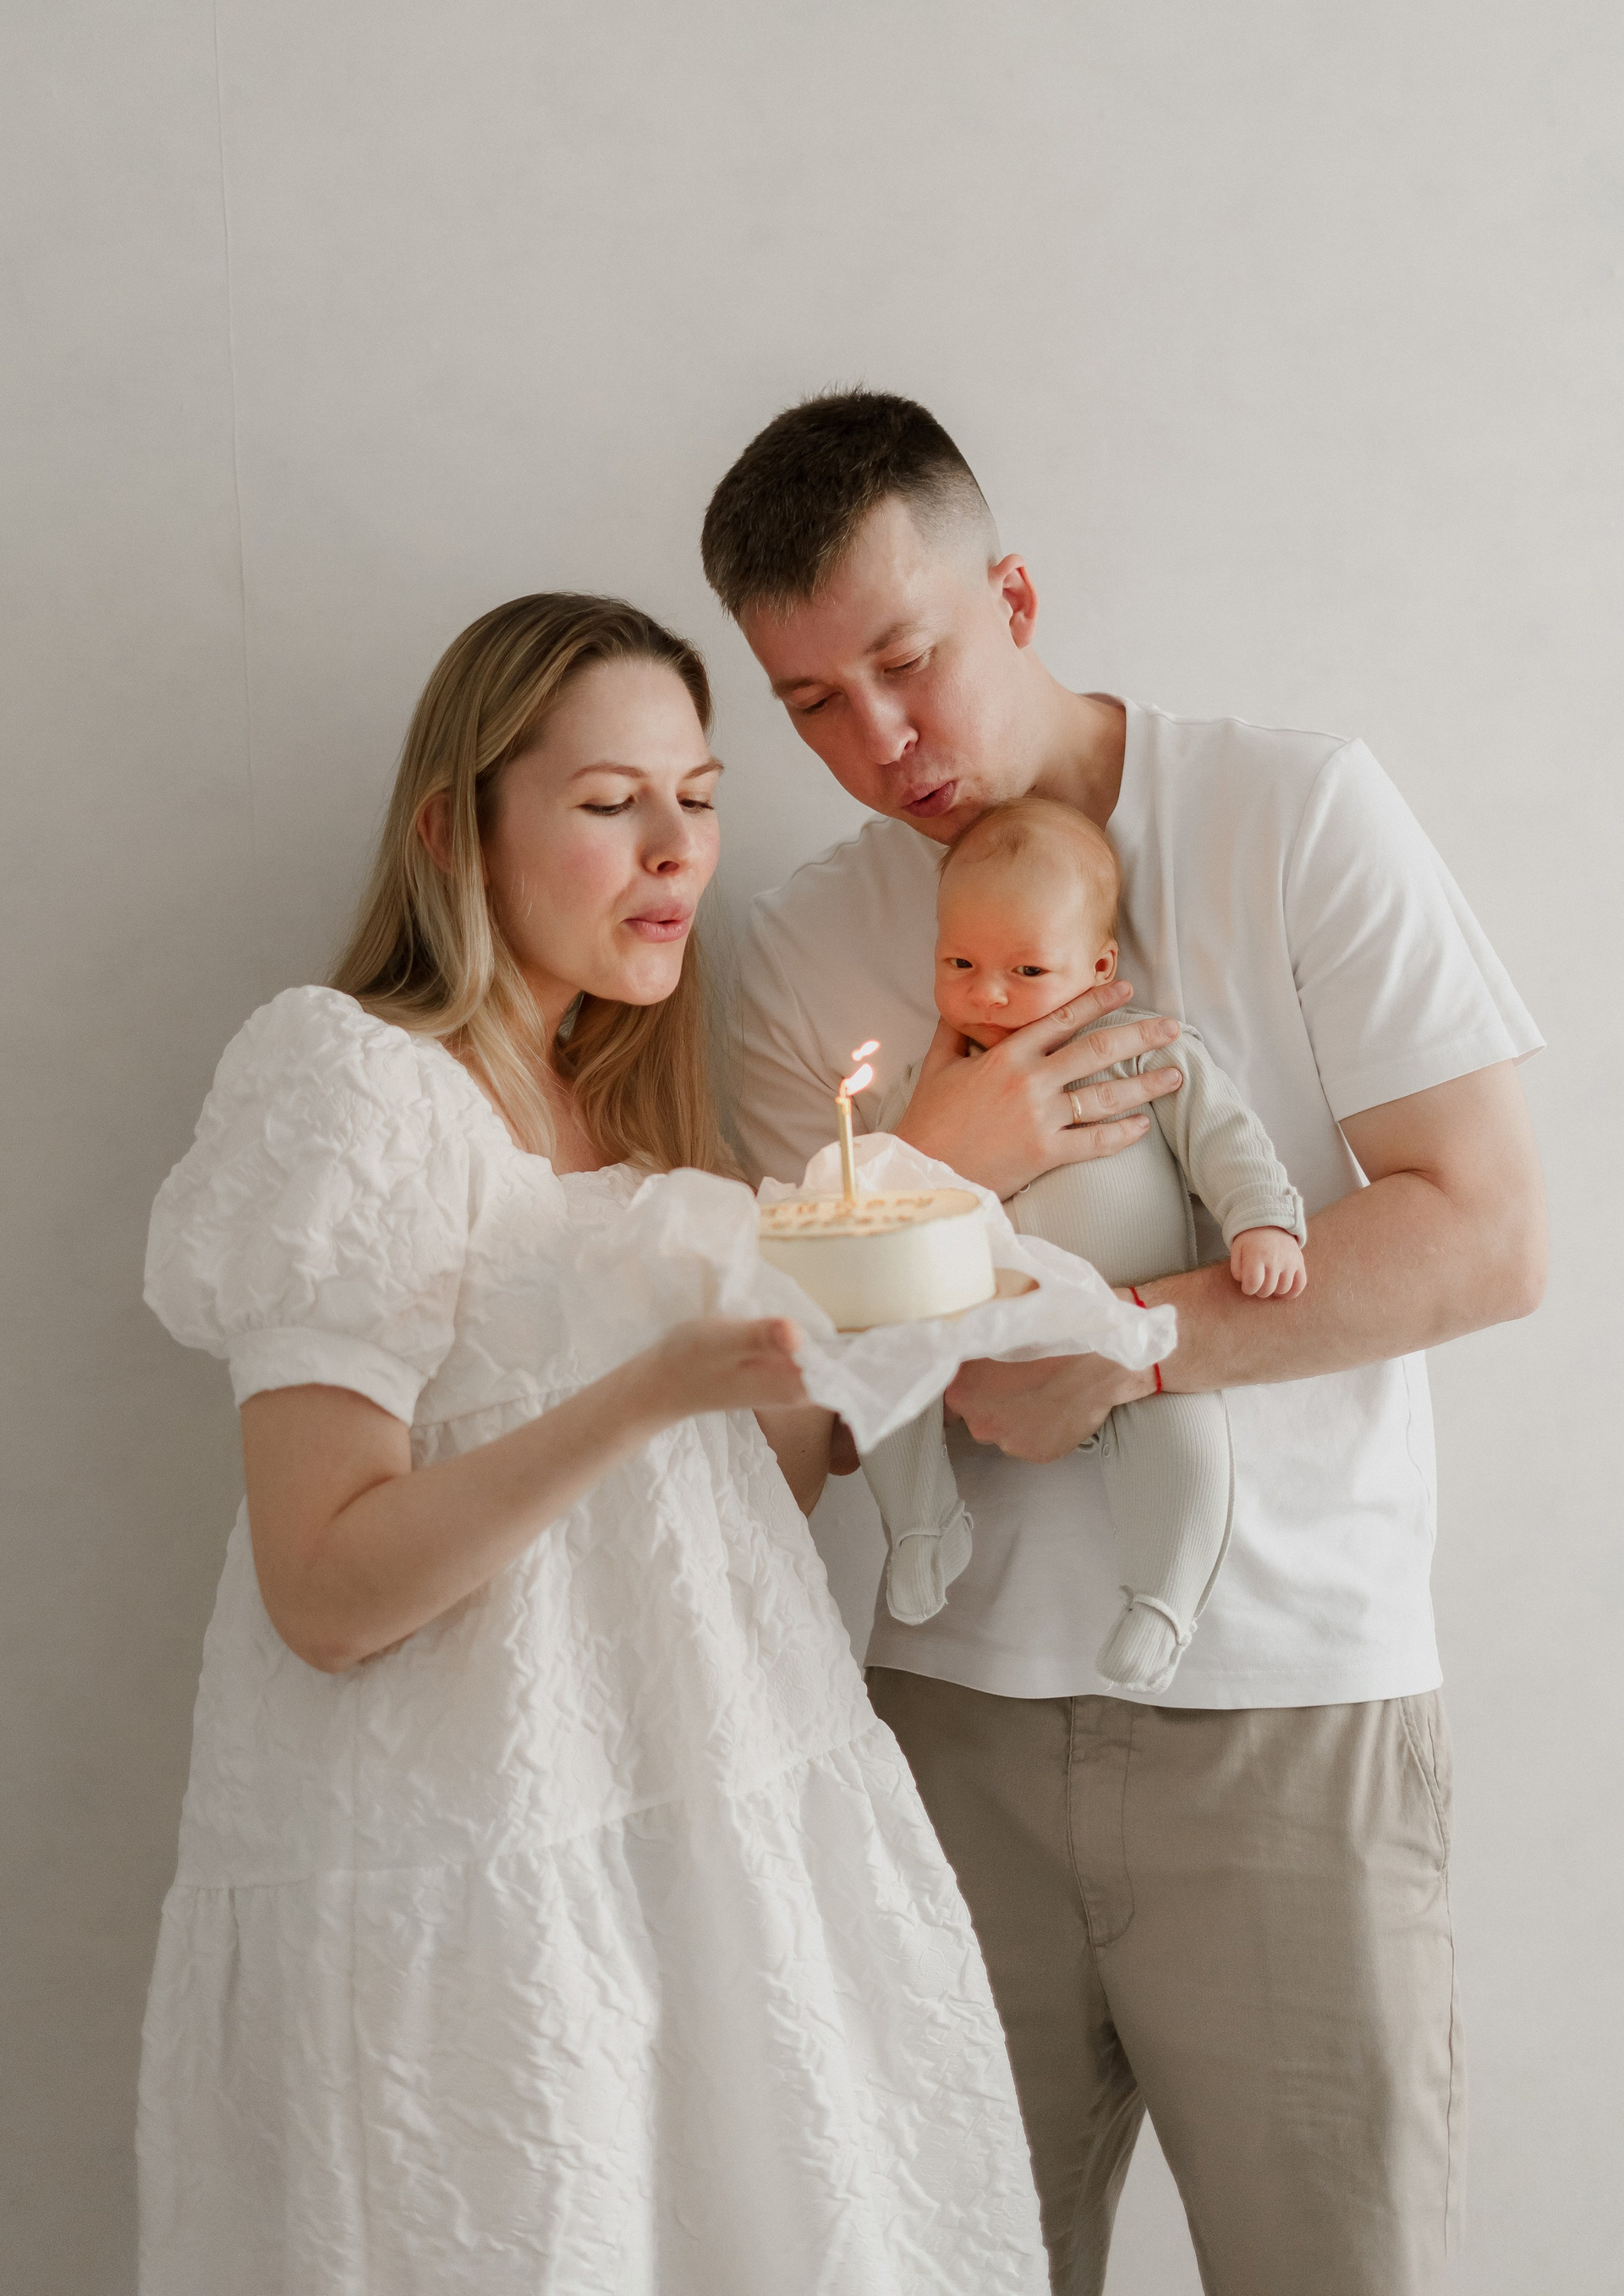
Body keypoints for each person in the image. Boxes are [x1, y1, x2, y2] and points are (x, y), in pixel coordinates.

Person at [702, 392, 1548, 2296]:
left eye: (906, 662)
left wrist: (1137, 1348)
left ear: (1012, 596)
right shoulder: (810, 943)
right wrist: (939, 1160)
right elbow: (794, 1404)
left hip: (1288, 1717)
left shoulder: (1291, 812)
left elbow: (1487, 1233)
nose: (878, 743)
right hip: (944, 1722)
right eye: (811, 703)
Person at [137, 592, 1048, 2296]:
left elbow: (734, 1514)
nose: (675, 851)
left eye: (697, 799)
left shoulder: (630, 1117)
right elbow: (323, 1592)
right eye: (612, 802)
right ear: (452, 830)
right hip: (482, 1880)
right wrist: (648, 1390)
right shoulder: (360, 1089)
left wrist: (858, 1317)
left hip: (701, 1853)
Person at [859, 792, 1305, 1695]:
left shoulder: (1136, 1049)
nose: (988, 993)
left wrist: (1262, 1219)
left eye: (1027, 969)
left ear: (1099, 966)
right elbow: (872, 1183)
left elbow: (1224, 1137)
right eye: (959, 962)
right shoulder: (934, 1079)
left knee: (1185, 1430)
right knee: (879, 1361)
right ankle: (918, 1523)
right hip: (969, 1320)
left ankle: (1164, 1601)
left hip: (1119, 1318)